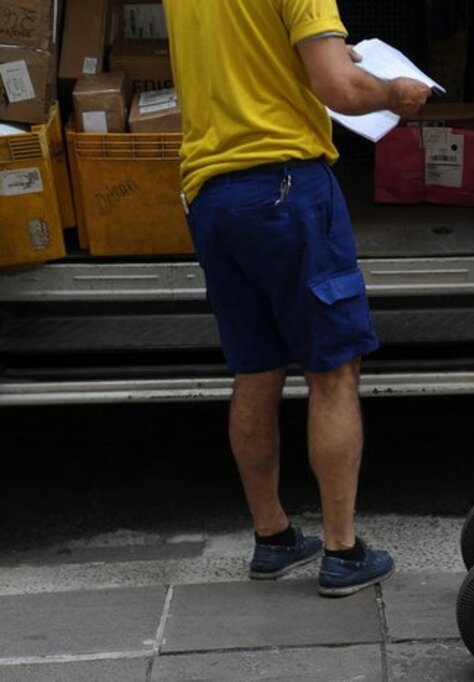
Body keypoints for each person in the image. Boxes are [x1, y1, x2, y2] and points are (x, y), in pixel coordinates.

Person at [163, 1, 430, 597]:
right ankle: (342, 551)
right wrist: (395, 93)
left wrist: (326, 56)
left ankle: (274, 537)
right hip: (287, 190)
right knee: (332, 370)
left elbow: (246, 57)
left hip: (211, 196)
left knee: (255, 371)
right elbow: (338, 88)